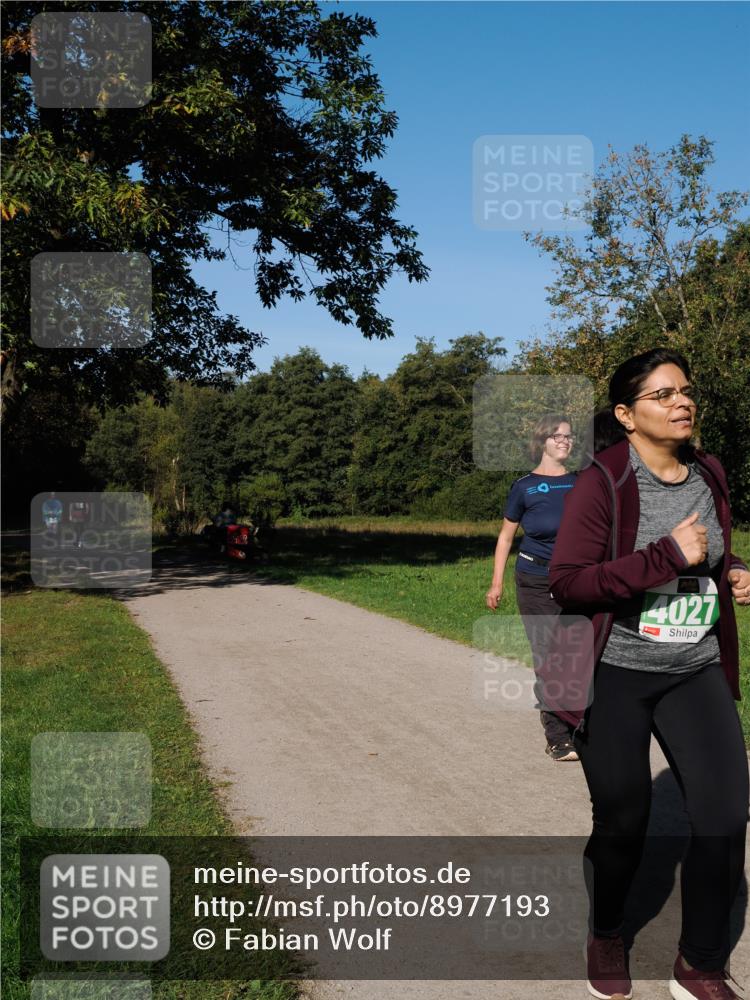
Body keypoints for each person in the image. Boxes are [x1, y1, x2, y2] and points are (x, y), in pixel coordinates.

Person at [548, 348, 750, 1000]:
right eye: (662, 395)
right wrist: (666, 555)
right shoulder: (602, 481)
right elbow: (569, 584)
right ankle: (607, 930)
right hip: (617, 673)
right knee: (624, 819)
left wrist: (732, 569)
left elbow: (709, 553)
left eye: (685, 391)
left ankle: (700, 965)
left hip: (694, 669)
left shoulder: (708, 473)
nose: (682, 402)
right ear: (626, 415)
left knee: (724, 813)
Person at [486, 413, 579, 760]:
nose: (565, 441)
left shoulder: (582, 483)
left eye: (568, 436)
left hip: (575, 579)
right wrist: (496, 584)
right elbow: (505, 537)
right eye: (558, 436)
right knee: (549, 655)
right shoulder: (524, 487)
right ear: (542, 441)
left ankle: (580, 722)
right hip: (535, 579)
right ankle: (558, 735)